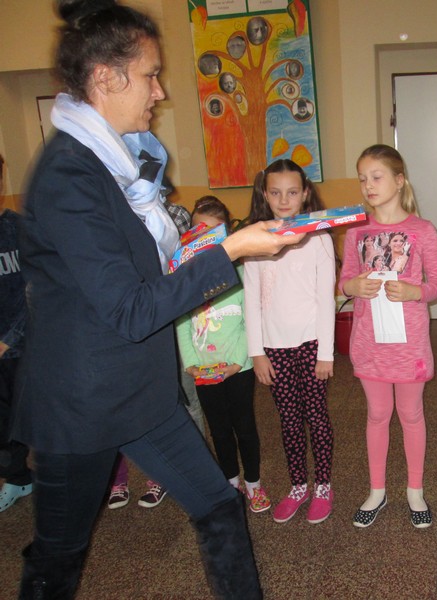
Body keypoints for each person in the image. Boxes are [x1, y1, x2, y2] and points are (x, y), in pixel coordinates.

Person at [10, 2, 304, 597]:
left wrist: (222, 245)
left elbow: (147, 268)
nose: (160, 91)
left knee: (219, 506)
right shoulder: (68, 174)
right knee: (58, 557)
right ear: (105, 77)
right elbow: (132, 308)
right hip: (80, 403)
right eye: (150, 75)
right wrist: (232, 251)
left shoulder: (120, 165)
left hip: (139, 392)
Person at [340, 144, 437, 529]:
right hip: (370, 341)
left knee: (411, 414)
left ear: (399, 181)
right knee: (377, 414)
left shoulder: (422, 230)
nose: (368, 185)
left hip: (409, 342)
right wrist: (353, 286)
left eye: (376, 177)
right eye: (363, 179)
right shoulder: (356, 232)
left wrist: (416, 291)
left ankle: (415, 491)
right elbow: (344, 280)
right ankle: (377, 491)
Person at [244, 159, 336, 524]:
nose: (284, 200)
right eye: (276, 192)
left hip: (312, 343)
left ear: (305, 193)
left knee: (316, 415)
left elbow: (326, 299)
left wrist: (326, 353)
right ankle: (299, 486)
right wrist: (256, 352)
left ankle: (323, 486)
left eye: (292, 192)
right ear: (265, 195)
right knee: (289, 419)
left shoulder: (319, 238)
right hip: (274, 348)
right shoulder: (255, 239)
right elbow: (251, 299)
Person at [107, 188, 208, 511]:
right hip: (131, 322)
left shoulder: (175, 215)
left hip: (170, 318)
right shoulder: (110, 217)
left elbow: (183, 266)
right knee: (136, 403)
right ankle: (144, 476)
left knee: (185, 398)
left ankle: (193, 470)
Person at [177, 196, 269, 514]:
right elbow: (182, 323)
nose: (203, 239)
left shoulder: (238, 273)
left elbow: (250, 320)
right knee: (218, 430)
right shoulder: (186, 277)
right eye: (197, 231)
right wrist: (190, 362)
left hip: (238, 368)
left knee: (244, 427)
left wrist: (238, 361)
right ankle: (230, 483)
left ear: (225, 235)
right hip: (203, 370)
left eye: (211, 232)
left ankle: (254, 484)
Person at [0, 153, 33, 514]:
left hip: (23, 347)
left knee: (36, 419)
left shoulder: (17, 229)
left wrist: (8, 339)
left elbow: (37, 290)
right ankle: (18, 478)